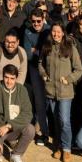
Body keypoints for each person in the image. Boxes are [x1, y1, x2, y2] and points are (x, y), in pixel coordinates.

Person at [39, 23, 82, 162]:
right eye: (53, 31)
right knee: (56, 120)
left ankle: (66, 149)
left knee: (64, 120)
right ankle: (58, 146)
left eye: (58, 32)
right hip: (50, 90)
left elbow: (79, 69)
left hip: (65, 91)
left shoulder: (70, 48)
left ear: (63, 33)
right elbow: (40, 63)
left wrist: (69, 79)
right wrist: (44, 75)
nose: (56, 34)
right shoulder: (46, 47)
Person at [0, 64, 35, 162]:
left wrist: (9, 125)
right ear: (3, 77)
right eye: (6, 77)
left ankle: (16, 155)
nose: (9, 81)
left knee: (30, 129)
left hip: (13, 128)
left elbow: (28, 114)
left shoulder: (22, 90)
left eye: (12, 78)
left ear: (16, 78)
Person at [20, 10, 49, 146]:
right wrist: (39, 50)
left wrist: (35, 49)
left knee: (52, 100)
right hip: (34, 70)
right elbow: (27, 54)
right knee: (39, 102)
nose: (36, 24)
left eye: (39, 21)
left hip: (50, 68)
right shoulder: (27, 32)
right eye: (34, 21)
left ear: (43, 19)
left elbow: (50, 52)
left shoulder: (49, 30)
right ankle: (42, 132)